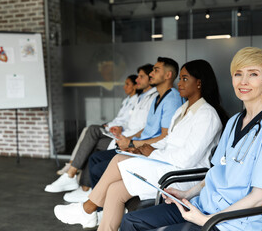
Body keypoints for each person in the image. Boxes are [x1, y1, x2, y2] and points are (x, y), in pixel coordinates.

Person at [120, 47, 262, 231]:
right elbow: (216, 172)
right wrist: (186, 193)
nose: (244, 82)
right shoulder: (234, 121)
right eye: (238, 74)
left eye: (253, 74)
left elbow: (260, 198)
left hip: (234, 221)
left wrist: (209, 219)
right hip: (203, 206)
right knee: (131, 221)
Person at [53, 59, 229, 230]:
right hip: (166, 164)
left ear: (199, 83)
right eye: (180, 78)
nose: (180, 83)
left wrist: (152, 153)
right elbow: (169, 140)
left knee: (118, 159)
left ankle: (88, 208)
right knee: (115, 189)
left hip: (181, 176)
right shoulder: (183, 111)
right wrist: (141, 149)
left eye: (185, 79)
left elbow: (187, 159)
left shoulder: (207, 115)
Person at [61, 57, 183, 203]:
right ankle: (91, 195)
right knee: (95, 158)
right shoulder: (158, 98)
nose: (152, 74)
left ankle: (95, 202)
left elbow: (165, 136)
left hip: (149, 150)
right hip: (137, 143)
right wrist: (129, 139)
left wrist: (132, 144)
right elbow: (146, 128)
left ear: (168, 75)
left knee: (98, 165)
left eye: (156, 70)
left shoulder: (172, 99)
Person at [45, 64, 158, 193]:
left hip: (129, 139)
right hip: (123, 134)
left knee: (92, 132)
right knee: (90, 132)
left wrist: (128, 137)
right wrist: (119, 127)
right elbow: (129, 121)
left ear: (150, 78)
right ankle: (82, 185)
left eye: (141, 77)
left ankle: (77, 178)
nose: (137, 80)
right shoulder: (141, 98)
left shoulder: (153, 98)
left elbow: (145, 127)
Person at [56, 74, 139, 176]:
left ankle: (73, 166)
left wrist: (110, 127)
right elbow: (118, 119)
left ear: (135, 86)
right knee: (87, 130)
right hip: (112, 128)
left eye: (127, 84)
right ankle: (72, 164)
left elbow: (126, 123)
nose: (124, 86)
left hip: (119, 132)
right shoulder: (126, 100)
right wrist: (107, 125)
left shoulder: (137, 101)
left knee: (91, 132)